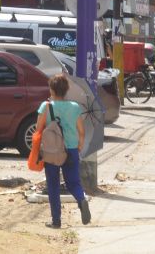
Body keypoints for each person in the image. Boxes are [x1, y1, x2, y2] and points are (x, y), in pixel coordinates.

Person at [35, 74, 90, 228]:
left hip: (52, 151)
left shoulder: (46, 106)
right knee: (73, 183)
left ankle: (56, 221)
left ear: (51, 89)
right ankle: (81, 199)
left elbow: (38, 129)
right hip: (71, 149)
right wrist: (79, 144)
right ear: (66, 90)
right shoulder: (74, 107)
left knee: (53, 185)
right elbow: (81, 130)